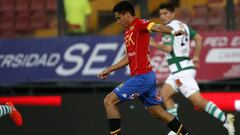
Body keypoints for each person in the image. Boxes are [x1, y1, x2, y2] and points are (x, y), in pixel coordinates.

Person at [97, 1, 191, 135]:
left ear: (127, 14)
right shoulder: (127, 32)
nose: (117, 21)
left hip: (142, 77)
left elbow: (158, 27)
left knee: (109, 101)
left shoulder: (140, 24)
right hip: (145, 77)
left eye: (118, 17)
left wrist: (174, 30)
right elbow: (129, 57)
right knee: (157, 112)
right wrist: (109, 69)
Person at [150, 3, 235, 135]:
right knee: (165, 94)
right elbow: (199, 38)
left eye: (165, 13)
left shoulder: (167, 28)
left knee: (198, 102)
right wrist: (196, 57)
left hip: (181, 71)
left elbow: (168, 48)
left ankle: (225, 119)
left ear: (173, 14)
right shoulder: (182, 25)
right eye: (160, 14)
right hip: (181, 69)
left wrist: (152, 43)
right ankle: (175, 129)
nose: (162, 16)